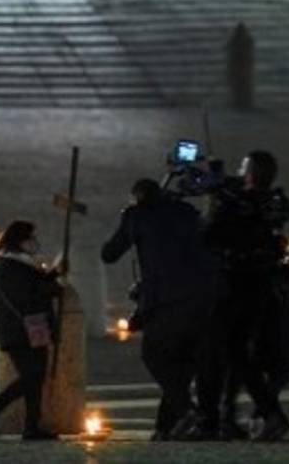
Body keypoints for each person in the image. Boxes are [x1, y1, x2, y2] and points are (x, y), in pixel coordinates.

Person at [100, 177, 219, 441]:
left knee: (153, 355)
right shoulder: (186, 212)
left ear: (138, 197)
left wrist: (128, 218)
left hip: (166, 298)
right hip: (203, 296)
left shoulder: (137, 215)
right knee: (182, 362)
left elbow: (109, 253)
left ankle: (188, 411)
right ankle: (165, 427)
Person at [204, 151, 289, 441]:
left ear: (251, 173)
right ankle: (228, 415)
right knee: (237, 349)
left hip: (237, 283)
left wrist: (217, 202)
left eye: (244, 167)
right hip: (263, 284)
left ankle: (269, 414)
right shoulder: (275, 203)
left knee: (233, 350)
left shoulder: (237, 205)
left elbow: (210, 235)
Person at [0, 220, 62, 441]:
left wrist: (51, 276)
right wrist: (52, 288)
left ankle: (32, 426)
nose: (35, 242)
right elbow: (25, 295)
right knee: (31, 375)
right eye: (31, 238)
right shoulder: (9, 265)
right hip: (19, 328)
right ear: (20, 240)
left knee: (36, 377)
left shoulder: (22, 263)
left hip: (33, 326)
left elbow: (32, 285)